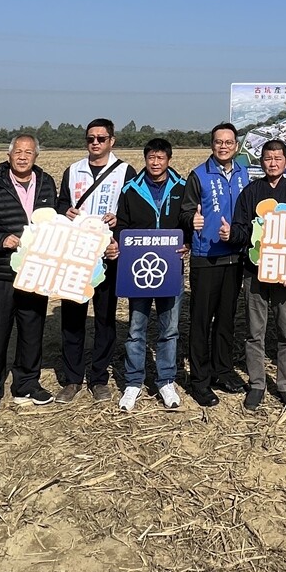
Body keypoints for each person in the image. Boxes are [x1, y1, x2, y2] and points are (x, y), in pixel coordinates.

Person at [0, 134, 59, 421]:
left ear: (36, 157)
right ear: (9, 155)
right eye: (18, 151)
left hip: (36, 273)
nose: (22, 156)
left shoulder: (47, 184)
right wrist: (1, 239)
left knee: (32, 331)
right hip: (2, 275)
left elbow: (55, 222)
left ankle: (26, 385)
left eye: (28, 152)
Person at [53, 119, 136, 404]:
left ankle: (99, 378)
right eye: (91, 138)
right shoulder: (73, 170)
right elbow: (59, 204)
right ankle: (73, 378)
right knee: (73, 318)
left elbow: (132, 211)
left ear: (112, 140)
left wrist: (119, 223)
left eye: (101, 138)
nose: (96, 143)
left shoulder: (125, 171)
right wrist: (66, 211)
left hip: (108, 255)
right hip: (75, 255)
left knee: (105, 318)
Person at [176, 123, 250, 407]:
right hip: (206, 256)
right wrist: (190, 221)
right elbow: (185, 211)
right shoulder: (198, 175)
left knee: (227, 319)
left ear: (236, 146)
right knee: (201, 321)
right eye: (218, 142)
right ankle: (199, 380)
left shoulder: (244, 173)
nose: (223, 146)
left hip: (235, 256)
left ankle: (223, 371)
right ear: (211, 145)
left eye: (229, 142)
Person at [231, 139, 286, 411]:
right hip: (255, 272)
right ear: (260, 161)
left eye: (278, 158)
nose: (272, 163)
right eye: (267, 158)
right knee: (255, 331)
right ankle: (257, 384)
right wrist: (230, 233)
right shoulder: (250, 192)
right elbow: (241, 230)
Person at [114, 138, 187, 413]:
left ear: (169, 159)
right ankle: (133, 381)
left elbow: (187, 221)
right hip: (139, 272)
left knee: (169, 329)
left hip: (170, 271)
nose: (155, 163)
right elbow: (122, 225)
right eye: (151, 158)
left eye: (160, 158)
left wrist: (188, 242)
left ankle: (166, 379)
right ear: (145, 159)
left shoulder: (181, 188)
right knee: (136, 329)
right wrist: (120, 240)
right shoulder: (131, 190)